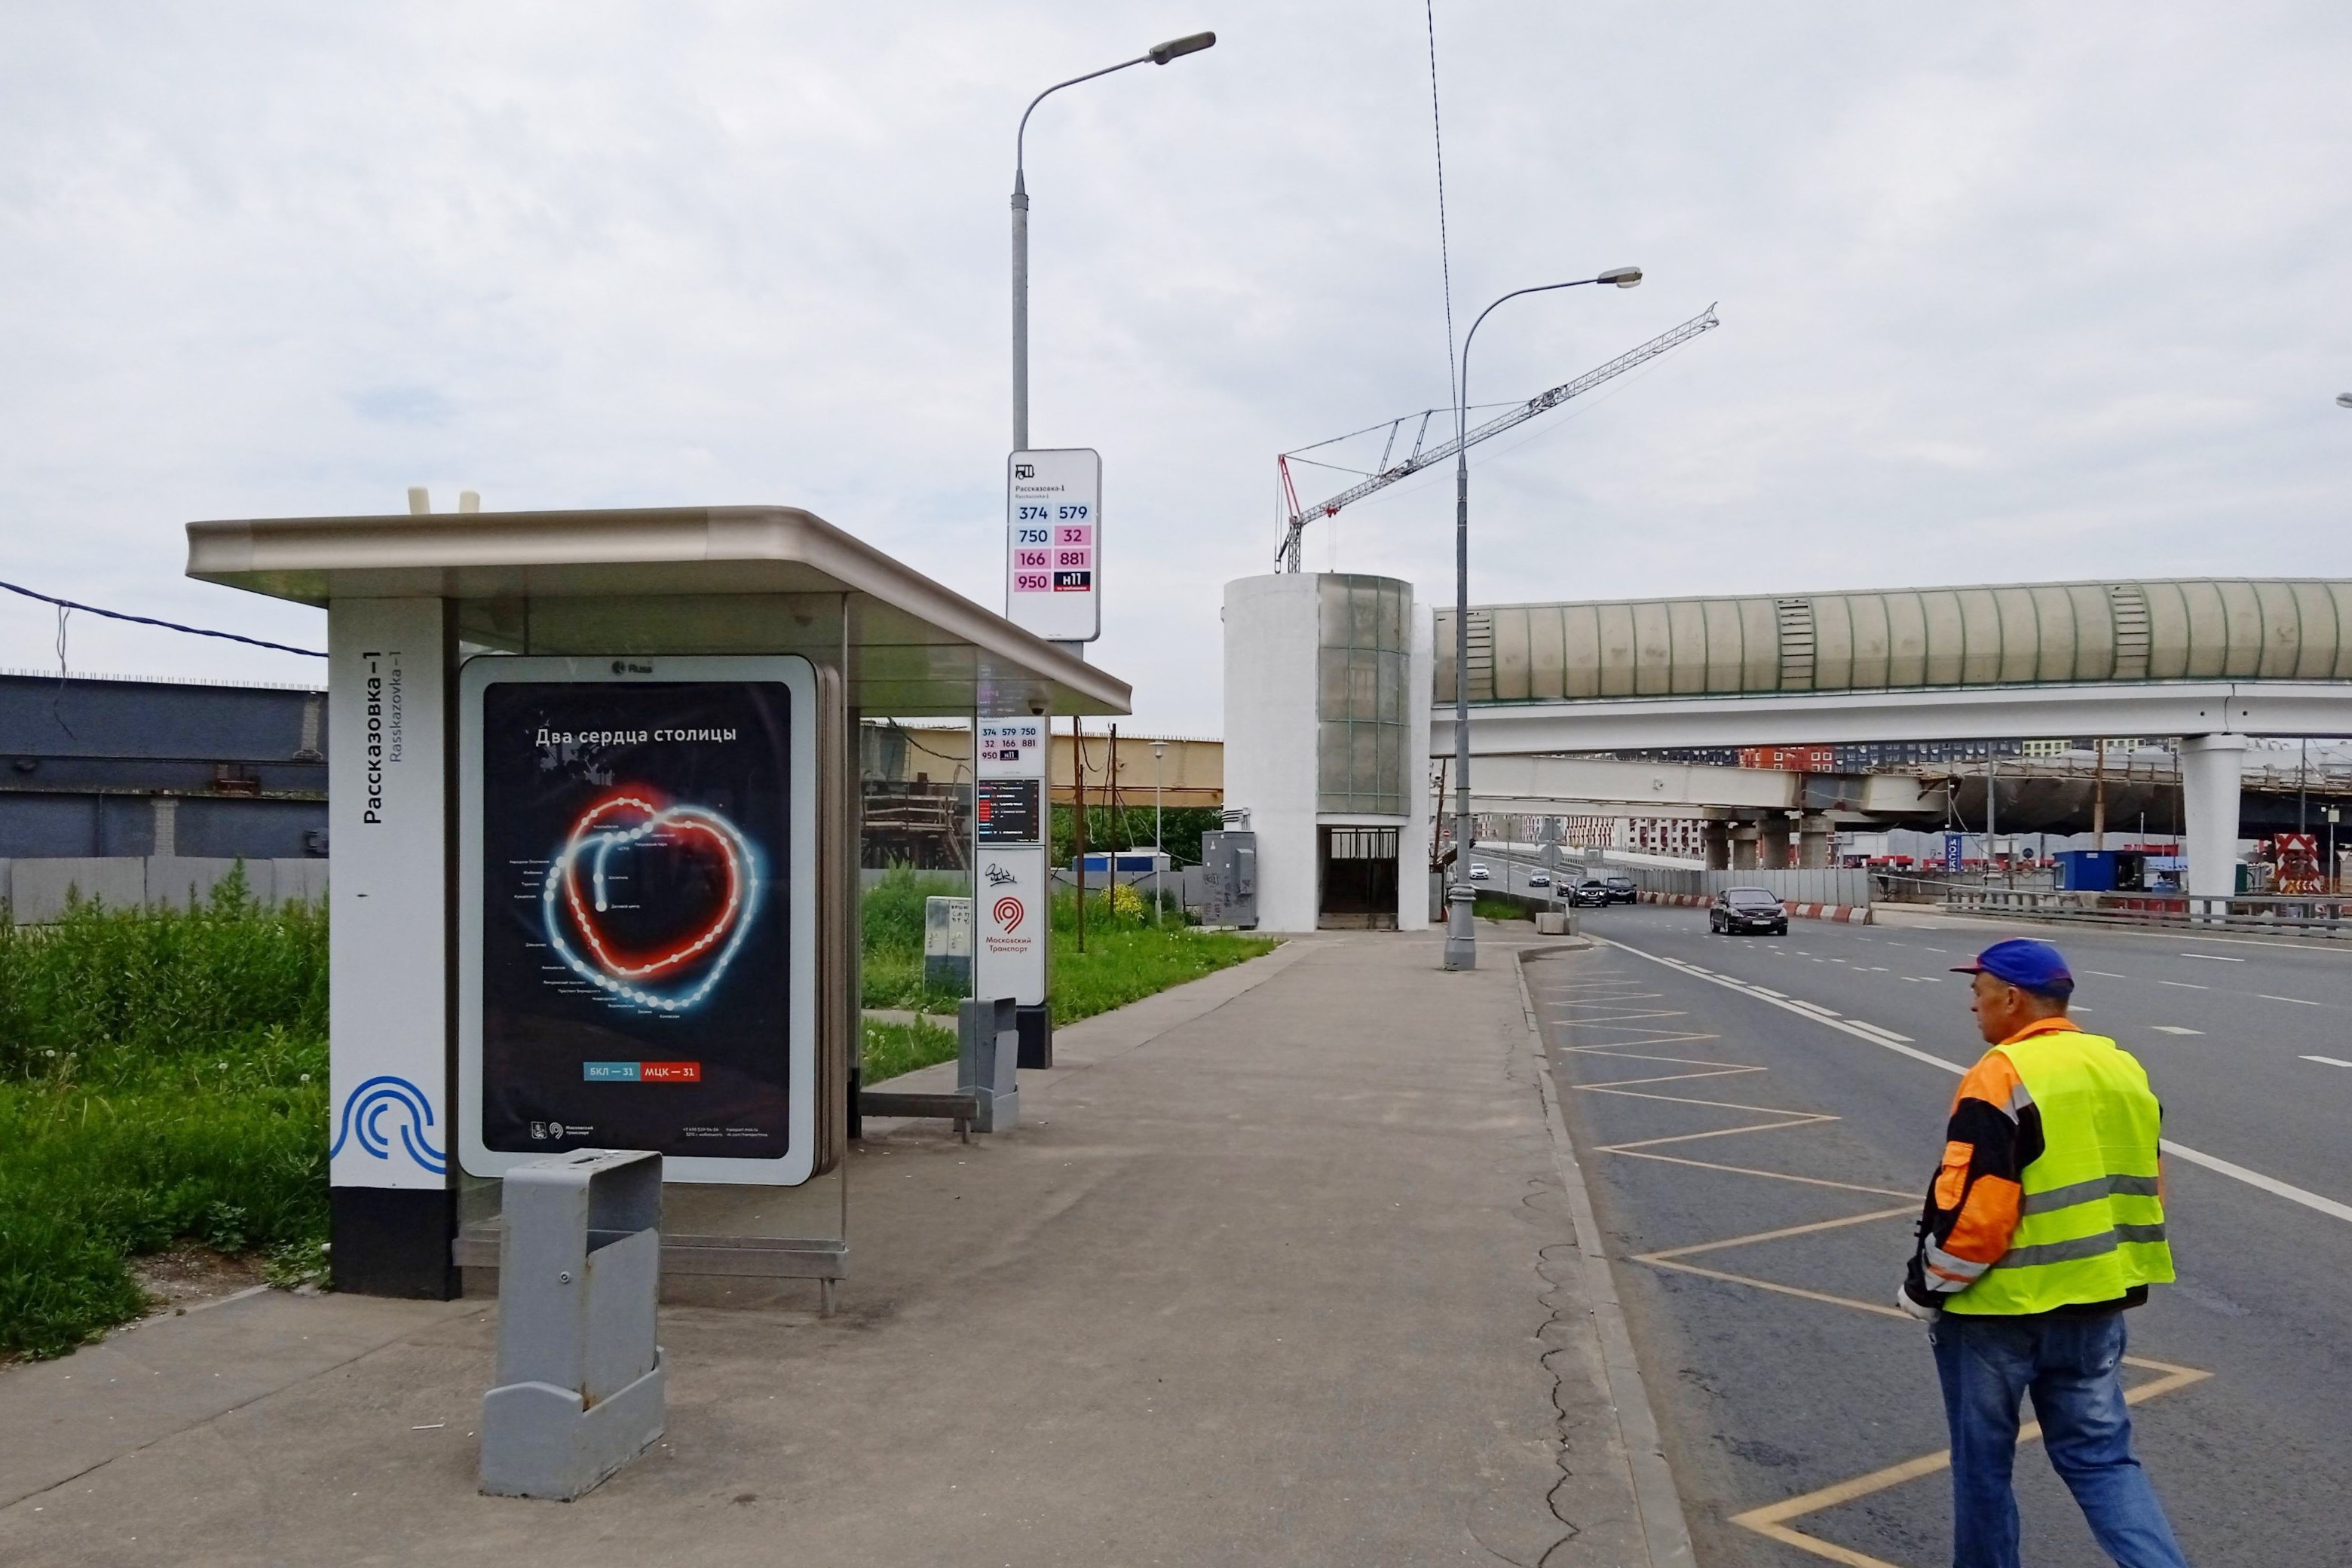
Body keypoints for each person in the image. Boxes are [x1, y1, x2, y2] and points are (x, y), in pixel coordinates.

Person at [1898, 937, 2191, 1568]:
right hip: (2095, 1304)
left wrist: (1924, 1287)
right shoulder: (2120, 1065)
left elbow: (1977, 1213)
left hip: (1997, 1312)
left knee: (1983, 1467)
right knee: (2103, 1460)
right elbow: (2151, 1184)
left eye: (1977, 992)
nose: (1972, 1005)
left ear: (2011, 998)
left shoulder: (2001, 1073)